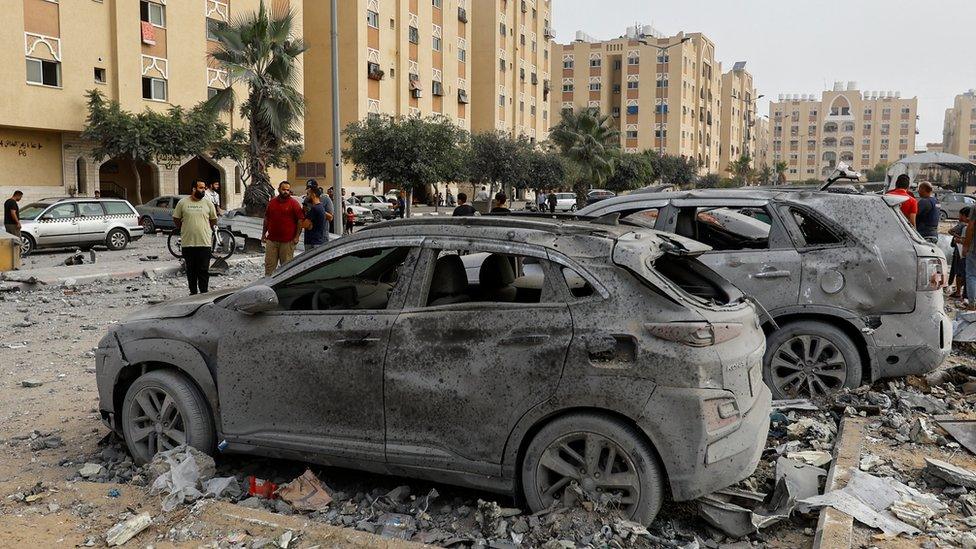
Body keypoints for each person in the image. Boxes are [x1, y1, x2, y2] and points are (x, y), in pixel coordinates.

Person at [172, 181, 218, 295]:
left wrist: (207, 229)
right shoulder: (182, 203)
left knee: (203, 270)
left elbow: (213, 219)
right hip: (188, 243)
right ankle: (193, 293)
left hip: (204, 242)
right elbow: (176, 219)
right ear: (193, 189)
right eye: (201, 188)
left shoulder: (208, 203)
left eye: (204, 188)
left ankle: (204, 294)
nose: (203, 190)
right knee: (191, 271)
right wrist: (185, 227)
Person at [262, 181, 304, 276]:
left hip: (287, 242)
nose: (286, 191)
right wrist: (263, 234)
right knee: (269, 266)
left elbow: (300, 221)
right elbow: (266, 218)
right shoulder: (272, 202)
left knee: (286, 267)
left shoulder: (294, 204)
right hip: (272, 240)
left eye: (287, 190)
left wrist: (297, 236)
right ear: (279, 189)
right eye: (283, 189)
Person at [950, 207, 971, 299]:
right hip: (969, 255)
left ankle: (961, 293)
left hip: (965, 254)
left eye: (960, 215)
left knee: (961, 273)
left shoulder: (966, 227)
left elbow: (965, 241)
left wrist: (957, 239)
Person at [303, 186, 330, 251]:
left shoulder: (314, 209)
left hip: (313, 242)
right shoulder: (321, 207)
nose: (307, 196)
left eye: (308, 194)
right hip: (317, 240)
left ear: (313, 195)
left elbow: (305, 225)